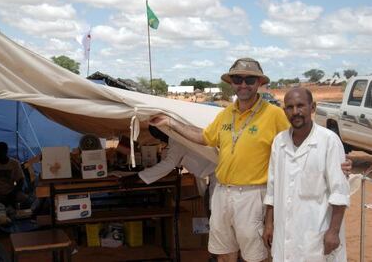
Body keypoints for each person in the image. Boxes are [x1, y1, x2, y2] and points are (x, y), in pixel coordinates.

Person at [150, 57, 352, 262]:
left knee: (255, 256)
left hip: (252, 195)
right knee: (223, 252)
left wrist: (336, 162)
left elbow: (302, 135)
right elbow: (204, 137)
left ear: (259, 83)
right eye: (238, 79)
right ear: (231, 83)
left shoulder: (274, 114)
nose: (243, 84)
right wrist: (171, 123)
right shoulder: (226, 113)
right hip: (221, 192)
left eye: (250, 80)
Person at [262, 88, 350, 262]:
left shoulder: (329, 141)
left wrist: (333, 231)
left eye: (300, 106)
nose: (295, 112)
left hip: (317, 232)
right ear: (284, 110)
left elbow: (339, 191)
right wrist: (269, 223)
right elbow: (272, 188)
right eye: (290, 107)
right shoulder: (279, 142)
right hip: (284, 233)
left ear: (312, 107)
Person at [121, 126, 217, 210]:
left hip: (216, 173)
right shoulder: (176, 137)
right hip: (214, 171)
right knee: (212, 207)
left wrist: (138, 177)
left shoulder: (175, 140)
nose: (160, 139)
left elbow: (169, 164)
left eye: (159, 136)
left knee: (214, 210)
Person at [0, 142, 28, 207]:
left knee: (26, 200)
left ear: (6, 152)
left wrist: (14, 192)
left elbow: (21, 180)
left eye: (0, 152)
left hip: (10, 192)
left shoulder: (14, 163)